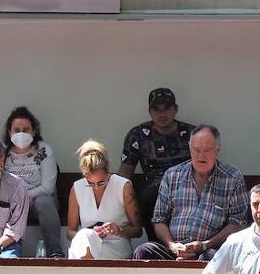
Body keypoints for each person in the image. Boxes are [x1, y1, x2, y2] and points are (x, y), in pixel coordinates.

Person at [134, 125, 249, 261]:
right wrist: (172, 246)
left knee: (212, 256)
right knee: (144, 251)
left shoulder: (232, 178)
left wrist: (205, 245)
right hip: (174, 250)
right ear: (189, 148)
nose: (201, 156)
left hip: (209, 250)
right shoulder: (172, 175)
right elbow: (159, 220)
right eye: (196, 150)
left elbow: (238, 223)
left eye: (207, 150)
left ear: (218, 150)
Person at [118, 87, 196, 240]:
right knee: (150, 194)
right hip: (154, 193)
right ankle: (156, 244)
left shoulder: (191, 134)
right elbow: (125, 173)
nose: (162, 114)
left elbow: (205, 167)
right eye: (156, 109)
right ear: (150, 111)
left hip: (187, 189)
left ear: (176, 109)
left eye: (167, 108)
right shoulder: (138, 135)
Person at [1, 106, 61, 257]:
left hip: (38, 201)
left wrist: (25, 197)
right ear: (9, 132)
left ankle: (54, 251)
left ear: (34, 131)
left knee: (44, 202)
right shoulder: (3, 153)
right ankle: (2, 250)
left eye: (26, 129)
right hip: (12, 203)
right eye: (16, 129)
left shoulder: (44, 150)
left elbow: (48, 187)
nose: (21, 133)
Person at [66, 140, 139, 260]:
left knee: (85, 249)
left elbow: (137, 230)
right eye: (90, 184)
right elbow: (70, 232)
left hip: (115, 244)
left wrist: (119, 230)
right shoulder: (77, 188)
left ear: (108, 170)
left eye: (101, 183)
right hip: (85, 243)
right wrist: (91, 235)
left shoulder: (123, 186)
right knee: (85, 236)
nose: (96, 188)